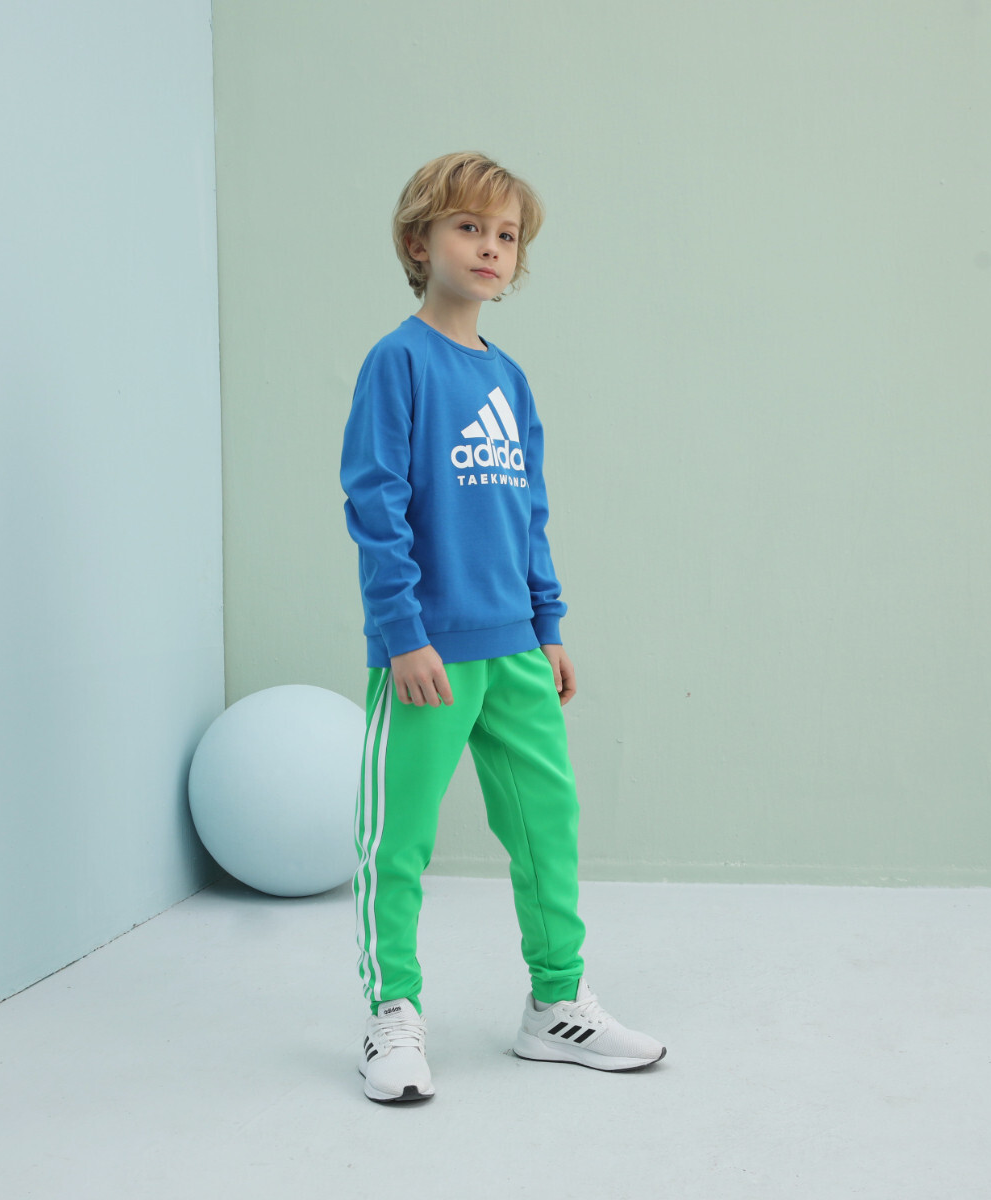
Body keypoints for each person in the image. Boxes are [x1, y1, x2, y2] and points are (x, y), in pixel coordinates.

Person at [340, 151, 665, 1103]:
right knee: (398, 841)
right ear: (419, 243)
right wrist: (402, 633)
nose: (490, 247)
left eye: (507, 235)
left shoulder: (509, 379)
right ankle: (391, 1013)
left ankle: (556, 1004)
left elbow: (528, 511)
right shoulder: (398, 362)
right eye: (469, 227)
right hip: (429, 655)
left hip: (515, 648)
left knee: (547, 827)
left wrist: (548, 622)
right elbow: (375, 503)